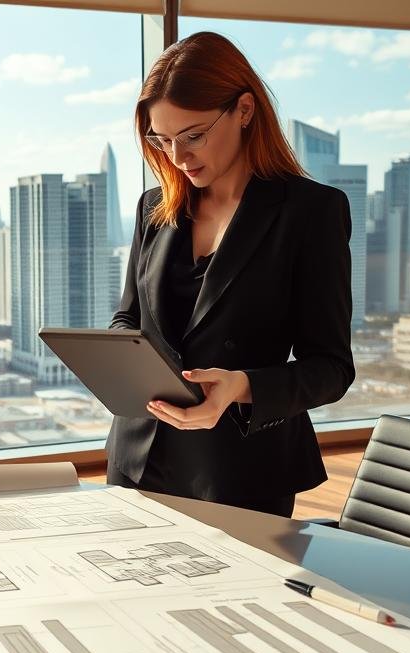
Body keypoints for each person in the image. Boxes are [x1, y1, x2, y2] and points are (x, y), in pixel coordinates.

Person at [105, 31, 354, 518]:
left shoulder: (310, 212)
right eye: (163, 140)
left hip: (243, 470)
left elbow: (331, 368)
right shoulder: (154, 207)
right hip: (138, 458)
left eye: (193, 135)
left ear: (244, 110)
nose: (178, 158)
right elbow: (128, 319)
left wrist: (239, 386)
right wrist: (123, 363)